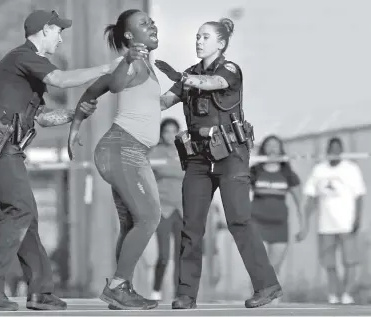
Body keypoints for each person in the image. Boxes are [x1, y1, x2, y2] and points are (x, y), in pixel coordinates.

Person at [0, 9, 111, 311]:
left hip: (6, 147)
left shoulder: (29, 68)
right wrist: (107, 68)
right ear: (45, 30)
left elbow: (43, 119)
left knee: (27, 215)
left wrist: (75, 115)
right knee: (19, 209)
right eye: (59, 31)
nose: (61, 38)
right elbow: (60, 79)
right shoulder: (24, 56)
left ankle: (40, 291)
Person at [153, 18, 282, 309]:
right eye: (197, 36)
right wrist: (135, 83)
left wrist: (184, 79)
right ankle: (186, 293)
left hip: (231, 154)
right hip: (198, 158)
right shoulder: (188, 74)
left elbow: (213, 83)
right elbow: (163, 102)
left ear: (220, 43)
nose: (199, 41)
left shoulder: (229, 70)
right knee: (192, 226)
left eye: (205, 37)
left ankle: (267, 285)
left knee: (238, 220)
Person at [68, 9, 161, 310]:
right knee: (149, 218)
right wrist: (130, 59)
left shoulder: (145, 63)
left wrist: (76, 125)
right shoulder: (129, 62)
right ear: (130, 36)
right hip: (122, 150)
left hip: (131, 152)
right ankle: (119, 286)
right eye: (144, 24)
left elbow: (96, 88)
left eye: (152, 21)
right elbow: (117, 85)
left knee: (135, 222)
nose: (153, 25)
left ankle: (123, 289)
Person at [298, 137, 366, 305]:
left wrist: (357, 219)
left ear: (341, 150)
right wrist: (305, 223)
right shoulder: (319, 170)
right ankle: (334, 293)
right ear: (328, 150)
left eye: (338, 148)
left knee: (349, 261)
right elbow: (311, 197)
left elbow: (359, 196)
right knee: (329, 263)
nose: (334, 151)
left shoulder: (351, 169)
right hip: (326, 225)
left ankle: (347, 293)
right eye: (332, 148)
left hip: (347, 224)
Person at [250, 135, 303, 279]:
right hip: (256, 224)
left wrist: (303, 226)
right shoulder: (254, 171)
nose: (272, 148)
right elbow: (239, 195)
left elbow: (300, 202)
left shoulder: (288, 173)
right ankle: (258, 298)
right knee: (259, 267)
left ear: (280, 149)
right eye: (269, 145)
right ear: (263, 149)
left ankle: (273, 301)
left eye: (276, 145)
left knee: (274, 268)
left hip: (279, 225)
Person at [148, 118, 184, 301]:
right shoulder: (155, 152)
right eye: (167, 131)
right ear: (161, 134)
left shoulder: (186, 150)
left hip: (182, 210)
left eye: (174, 131)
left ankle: (179, 293)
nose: (170, 135)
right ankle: (156, 290)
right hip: (163, 209)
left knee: (181, 255)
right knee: (163, 255)